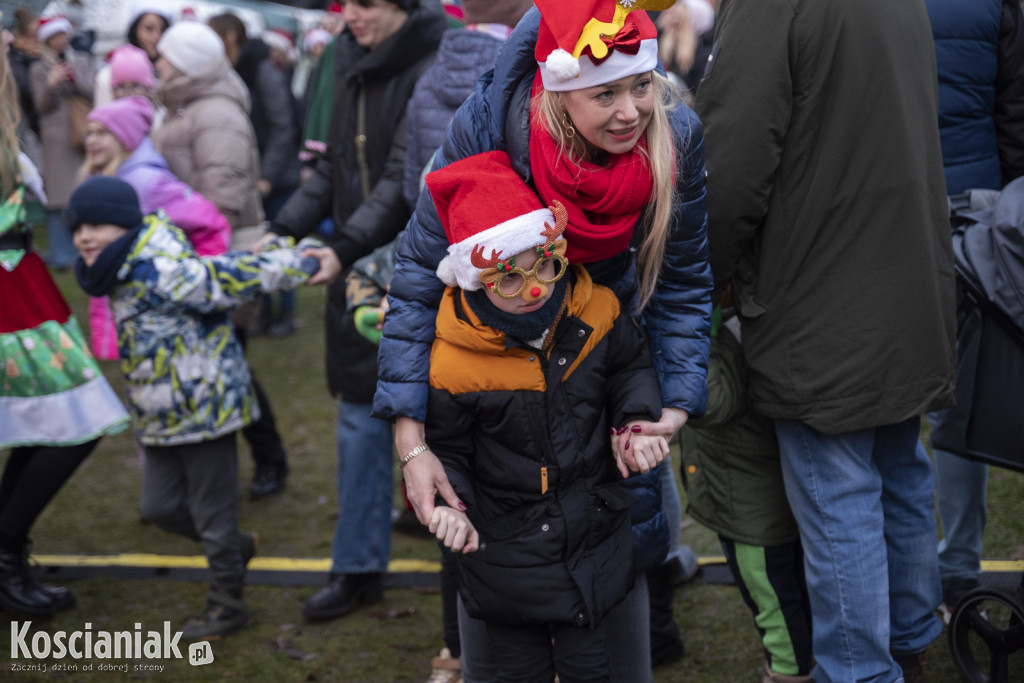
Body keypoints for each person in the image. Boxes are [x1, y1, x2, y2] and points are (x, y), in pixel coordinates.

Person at [373, 2, 712, 678]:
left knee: (621, 527)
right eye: (605, 93)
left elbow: (681, 281)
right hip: (497, 367)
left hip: (608, 354)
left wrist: (668, 408)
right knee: (499, 532)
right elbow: (414, 276)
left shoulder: (675, 132)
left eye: (640, 84)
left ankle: (643, 626)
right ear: (558, 94)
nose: (630, 111)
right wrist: (412, 441)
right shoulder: (491, 120)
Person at [693, 0, 956, 680]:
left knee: (840, 488)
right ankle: (910, 644)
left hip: (821, 289)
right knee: (898, 465)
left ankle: (860, 668)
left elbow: (733, 160)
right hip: (900, 274)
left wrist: (699, 278)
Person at [423, 150, 669, 682]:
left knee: (598, 665)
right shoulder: (454, 358)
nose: (535, 287)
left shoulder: (596, 307)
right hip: (505, 555)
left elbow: (630, 367)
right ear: (476, 278)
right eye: (509, 279)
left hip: (594, 537)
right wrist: (451, 507)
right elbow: (448, 450)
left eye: (546, 265)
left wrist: (634, 421)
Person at [67, 175, 321, 639]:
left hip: (206, 411)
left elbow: (230, 275)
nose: (84, 237)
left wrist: (300, 263)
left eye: (97, 225)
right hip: (158, 413)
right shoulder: (117, 267)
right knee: (160, 508)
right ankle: (236, 547)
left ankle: (228, 605)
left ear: (123, 225)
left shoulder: (162, 267)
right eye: (77, 227)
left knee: (213, 515)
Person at [260, 0, 448, 622]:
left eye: (366, 4)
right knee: (356, 420)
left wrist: (342, 248)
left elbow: (401, 178)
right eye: (346, 5)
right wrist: (282, 228)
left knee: (440, 425)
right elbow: (334, 166)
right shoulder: (345, 58)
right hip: (357, 271)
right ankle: (358, 565)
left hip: (418, 271)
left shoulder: (437, 56)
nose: (351, 16)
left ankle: (467, 581)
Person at [0, 56, 129, 619]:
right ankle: (4, 555)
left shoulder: (9, 119)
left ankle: (5, 552)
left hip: (22, 288)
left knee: (55, 422)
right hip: (11, 295)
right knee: (72, 420)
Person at [151, 20, 291, 500]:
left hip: (218, 256)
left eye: (165, 55)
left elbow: (223, 197)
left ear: (187, 61)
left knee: (230, 363)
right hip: (196, 253)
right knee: (217, 363)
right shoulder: (185, 103)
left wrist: (196, 259)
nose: (157, 62)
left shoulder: (215, 111)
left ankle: (267, 459)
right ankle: (216, 472)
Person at [923, 0, 1024, 619]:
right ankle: (956, 560)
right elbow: (1014, 114)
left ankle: (949, 564)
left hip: (901, 204)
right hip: (981, 206)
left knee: (922, 398)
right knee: (966, 389)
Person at [680, 311, 813, 683]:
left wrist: (687, 340)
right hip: (752, 502)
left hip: (749, 513)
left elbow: (712, 401)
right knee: (790, 596)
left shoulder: (724, 334)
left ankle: (789, 674)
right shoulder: (739, 325)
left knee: (774, 606)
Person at [82, 95, 232, 358]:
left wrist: (195, 278)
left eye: (102, 133)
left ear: (124, 137)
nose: (91, 141)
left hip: (152, 310)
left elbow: (211, 222)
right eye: (89, 133)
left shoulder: (147, 183)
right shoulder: (104, 178)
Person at [208, 12, 302, 337]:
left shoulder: (262, 71)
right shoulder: (237, 70)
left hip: (277, 177)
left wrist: (268, 177)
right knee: (257, 246)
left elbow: (282, 127)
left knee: (280, 244)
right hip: (256, 176)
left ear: (230, 37)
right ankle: (263, 312)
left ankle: (284, 313)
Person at [28, 14, 95, 270]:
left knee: (82, 191)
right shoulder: (38, 69)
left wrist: (75, 78)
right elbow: (40, 106)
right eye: (54, 37)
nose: (60, 41)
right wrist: (52, 84)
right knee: (57, 199)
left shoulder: (83, 60)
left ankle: (86, 249)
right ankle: (62, 254)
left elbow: (93, 92)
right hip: (56, 140)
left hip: (82, 134)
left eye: (62, 35)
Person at [93, 8, 172, 109]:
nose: (157, 36)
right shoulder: (108, 75)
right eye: (149, 28)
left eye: (163, 30)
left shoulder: (168, 73)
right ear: (135, 30)